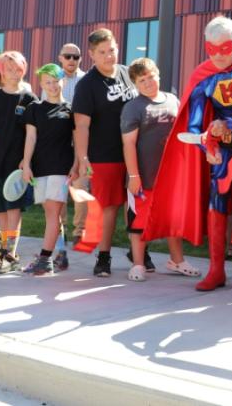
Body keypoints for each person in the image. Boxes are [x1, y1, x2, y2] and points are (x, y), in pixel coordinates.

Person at [146, 16, 232, 293]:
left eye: (225, 48)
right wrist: (207, 147)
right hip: (222, 149)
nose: (219, 56)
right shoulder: (203, 74)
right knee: (216, 202)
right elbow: (195, 124)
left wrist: (228, 124)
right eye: (212, 49)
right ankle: (216, 269)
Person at [120, 58, 200, 281]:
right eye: (141, 80)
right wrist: (133, 176)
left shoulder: (173, 100)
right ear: (136, 84)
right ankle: (138, 264)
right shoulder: (133, 107)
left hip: (171, 176)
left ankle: (177, 261)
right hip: (144, 175)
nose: (147, 83)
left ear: (158, 74)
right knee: (138, 221)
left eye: (150, 77)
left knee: (173, 220)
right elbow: (128, 144)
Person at [73, 29, 137, 277]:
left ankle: (138, 251)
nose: (108, 56)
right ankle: (104, 256)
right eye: (102, 52)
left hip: (132, 152)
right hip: (104, 154)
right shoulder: (87, 85)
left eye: (112, 50)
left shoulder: (126, 73)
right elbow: (81, 125)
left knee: (135, 206)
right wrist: (83, 158)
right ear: (91, 55)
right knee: (108, 207)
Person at [0, 51, 37, 274]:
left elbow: (33, 135)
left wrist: (27, 161)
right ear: (0, 71)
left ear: (25, 69)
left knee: (13, 210)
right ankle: (1, 250)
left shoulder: (30, 99)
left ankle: (11, 253)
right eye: (9, 68)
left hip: (17, 165)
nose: (14, 72)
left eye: (18, 68)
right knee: (0, 211)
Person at [21, 64, 77, 276]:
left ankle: (44, 260)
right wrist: (26, 164)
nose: (52, 86)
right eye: (47, 82)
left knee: (53, 213)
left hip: (60, 168)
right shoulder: (34, 109)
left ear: (63, 80)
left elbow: (77, 140)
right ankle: (60, 254)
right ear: (41, 84)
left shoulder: (70, 109)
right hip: (40, 168)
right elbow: (30, 138)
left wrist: (76, 165)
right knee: (51, 214)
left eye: (56, 81)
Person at [52, 43, 87, 247]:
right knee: (60, 187)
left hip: (81, 141)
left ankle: (80, 231)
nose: (72, 60)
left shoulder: (86, 81)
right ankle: (60, 228)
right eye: (68, 56)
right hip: (59, 142)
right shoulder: (52, 80)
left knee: (81, 186)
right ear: (60, 58)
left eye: (76, 56)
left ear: (81, 59)